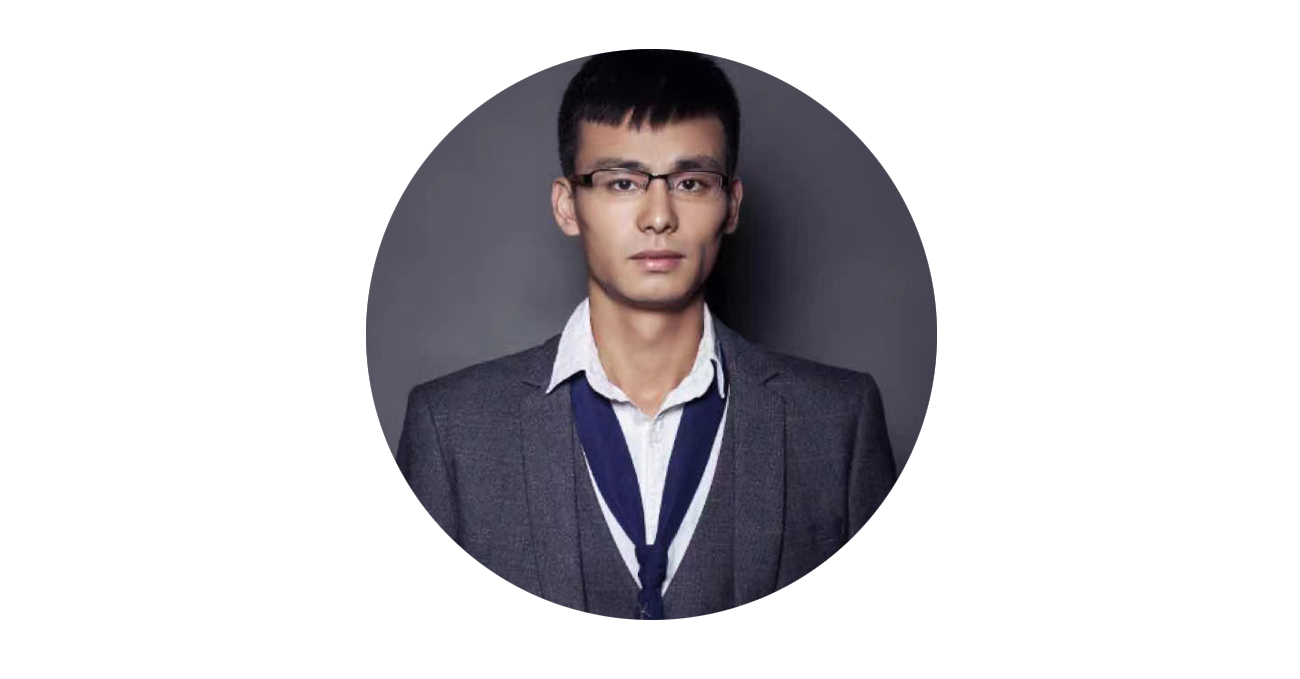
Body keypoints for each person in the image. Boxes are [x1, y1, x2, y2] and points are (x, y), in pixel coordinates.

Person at [388, 49, 916, 619]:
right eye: (622, 182)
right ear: (567, 206)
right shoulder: (451, 430)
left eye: (691, 182)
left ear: (731, 205)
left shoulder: (837, 423)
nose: (658, 216)